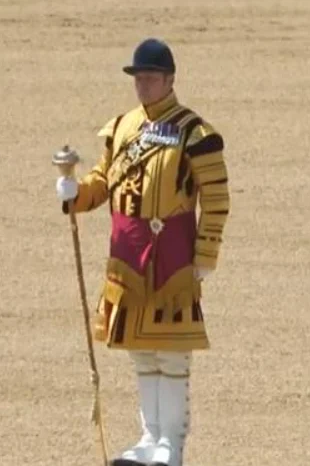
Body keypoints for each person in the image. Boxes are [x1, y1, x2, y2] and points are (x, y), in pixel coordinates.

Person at [54, 38, 230, 466]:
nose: (144, 85)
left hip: (172, 255)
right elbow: (103, 182)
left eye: (152, 78)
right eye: (139, 78)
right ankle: (149, 436)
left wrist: (204, 255)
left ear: (170, 79)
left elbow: (217, 198)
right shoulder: (121, 128)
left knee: (171, 353)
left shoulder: (195, 132)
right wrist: (75, 193)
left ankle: (172, 441)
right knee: (141, 352)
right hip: (127, 256)